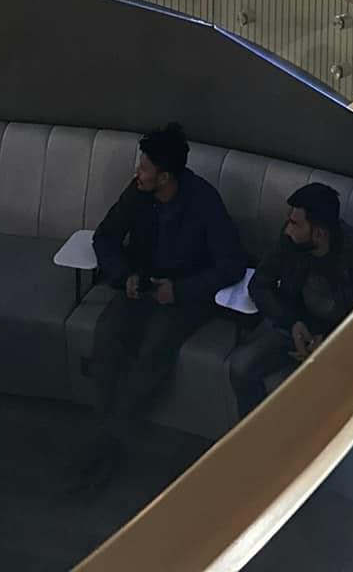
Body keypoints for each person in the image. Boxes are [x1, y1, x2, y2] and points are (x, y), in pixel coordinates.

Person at [79, 122, 245, 487]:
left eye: (144, 168)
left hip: (185, 296)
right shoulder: (138, 192)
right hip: (141, 285)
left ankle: (107, 447)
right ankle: (106, 433)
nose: (137, 173)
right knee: (107, 335)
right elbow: (105, 237)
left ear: (165, 176)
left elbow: (231, 264)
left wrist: (180, 290)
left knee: (153, 352)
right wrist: (125, 276)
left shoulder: (204, 202)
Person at [229, 182, 353, 418]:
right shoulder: (290, 240)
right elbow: (260, 284)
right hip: (291, 324)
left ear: (318, 233)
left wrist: (330, 340)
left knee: (326, 395)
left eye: (295, 223)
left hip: (339, 337)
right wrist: (291, 323)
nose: (288, 229)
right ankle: (255, 431)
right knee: (240, 367)